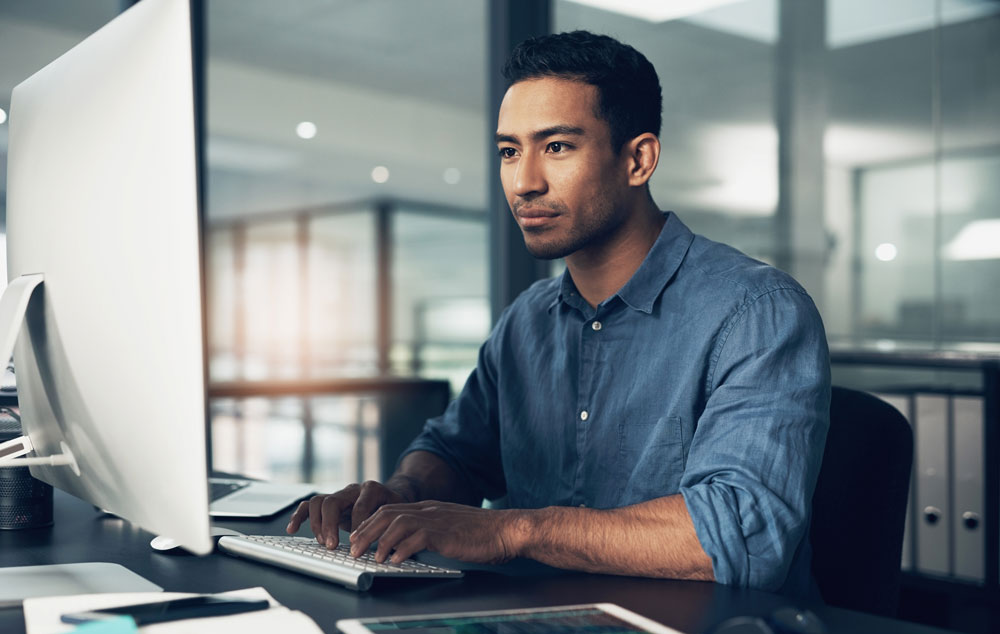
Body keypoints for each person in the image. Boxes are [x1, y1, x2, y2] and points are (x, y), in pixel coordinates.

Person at [287, 30, 831, 595]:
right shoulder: (527, 319)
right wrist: (399, 495)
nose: (524, 182)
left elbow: (742, 532)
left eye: (557, 147)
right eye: (509, 151)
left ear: (638, 159)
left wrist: (513, 531)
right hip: (536, 625)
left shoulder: (757, 312)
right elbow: (456, 450)